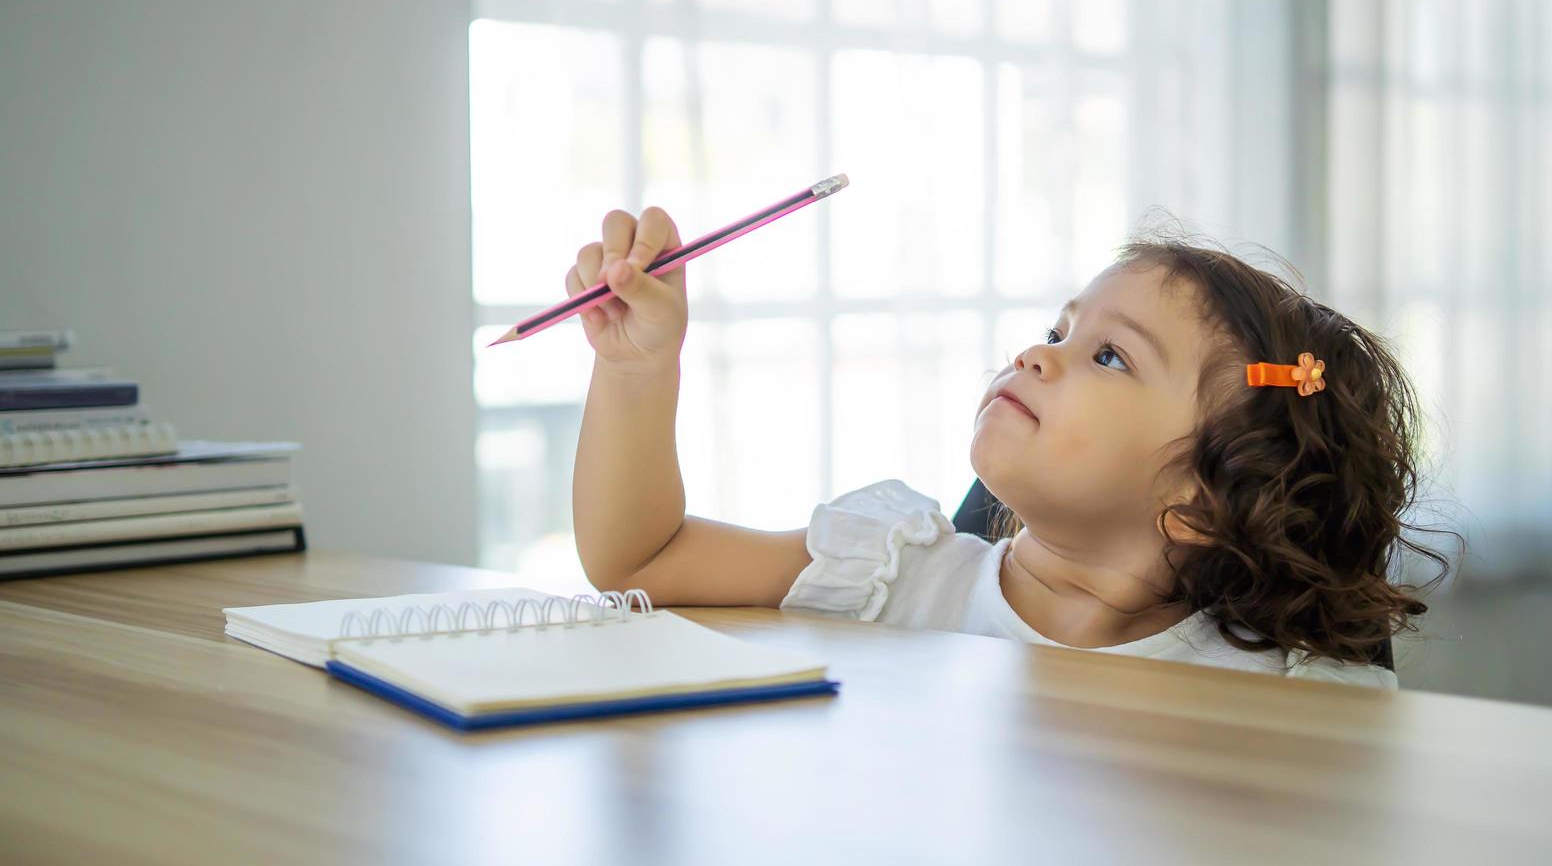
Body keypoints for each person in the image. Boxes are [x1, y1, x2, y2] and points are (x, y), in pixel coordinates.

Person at [568, 207, 1454, 688]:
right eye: (1058, 330)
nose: (1038, 353)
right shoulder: (895, 570)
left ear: (1195, 506)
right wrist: (639, 370)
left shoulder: (1288, 698)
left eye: (1108, 356)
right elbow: (641, 557)